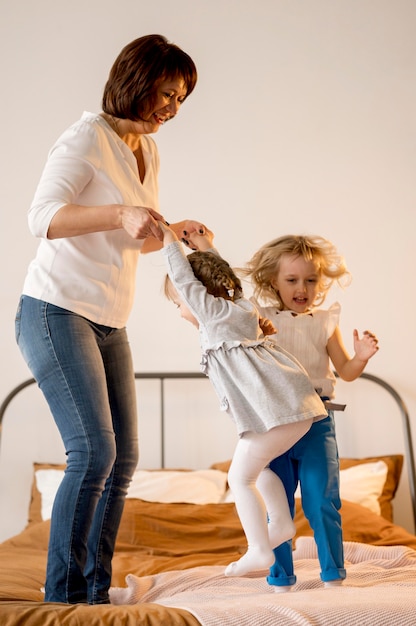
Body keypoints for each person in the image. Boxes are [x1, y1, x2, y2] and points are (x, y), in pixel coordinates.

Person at [14, 34, 204, 605]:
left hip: (107, 320)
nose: (172, 107)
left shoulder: (145, 150)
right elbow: (41, 217)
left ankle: (95, 591)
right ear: (134, 80)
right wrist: (120, 210)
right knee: (93, 451)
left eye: (180, 98)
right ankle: (63, 595)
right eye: (166, 93)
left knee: (124, 457)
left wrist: (175, 233)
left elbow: (129, 240)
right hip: (55, 309)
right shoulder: (86, 138)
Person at [159, 223, 327, 577]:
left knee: (239, 479)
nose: (180, 310)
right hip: (297, 409)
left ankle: (258, 549)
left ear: (199, 297)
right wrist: (206, 247)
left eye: (179, 304)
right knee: (260, 468)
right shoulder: (239, 305)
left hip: (282, 412)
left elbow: (188, 281)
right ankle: (280, 524)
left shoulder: (215, 318)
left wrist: (169, 241)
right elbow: (225, 277)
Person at [244, 234, 379, 590]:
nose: (302, 288)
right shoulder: (259, 319)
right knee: (278, 508)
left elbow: (345, 371)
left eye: (311, 280)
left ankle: (333, 577)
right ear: (273, 280)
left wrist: (361, 356)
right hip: (273, 424)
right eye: (292, 280)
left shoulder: (324, 321)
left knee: (322, 503)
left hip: (317, 422)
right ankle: (280, 578)